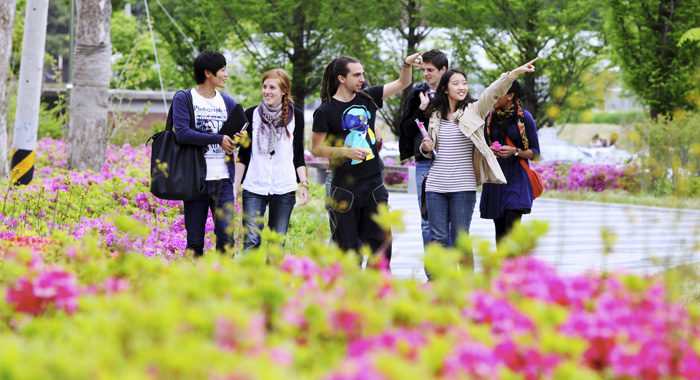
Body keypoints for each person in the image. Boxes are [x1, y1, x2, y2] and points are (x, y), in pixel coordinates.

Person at [419, 58, 539, 270]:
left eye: (464, 83)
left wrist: (514, 73)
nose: (462, 87)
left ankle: (466, 286)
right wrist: (425, 148)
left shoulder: (475, 110)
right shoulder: (435, 114)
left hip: (463, 186)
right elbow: (431, 150)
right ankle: (439, 283)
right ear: (445, 89)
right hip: (435, 185)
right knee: (437, 238)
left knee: (461, 239)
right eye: (456, 83)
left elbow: (493, 91)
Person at [311, 53, 423, 265]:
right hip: (344, 188)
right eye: (357, 74)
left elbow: (403, 82)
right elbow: (316, 149)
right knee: (348, 252)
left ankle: (378, 293)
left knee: (380, 248)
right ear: (342, 78)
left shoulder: (368, 97)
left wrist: (406, 64)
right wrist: (345, 152)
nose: (362, 78)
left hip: (374, 185)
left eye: (362, 74)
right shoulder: (325, 111)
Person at [233, 69, 308, 251]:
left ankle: (271, 280)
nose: (266, 91)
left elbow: (297, 154)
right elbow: (242, 155)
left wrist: (304, 184)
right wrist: (234, 188)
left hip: (284, 186)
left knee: (276, 243)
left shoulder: (296, 116)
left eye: (272, 87)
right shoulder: (251, 115)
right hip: (254, 185)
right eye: (264, 87)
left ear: (283, 91)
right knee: (251, 240)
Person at [173, 50, 238, 257]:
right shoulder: (184, 99)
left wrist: (236, 140)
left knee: (226, 239)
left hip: (223, 180)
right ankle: (195, 285)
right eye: (222, 69)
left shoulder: (228, 102)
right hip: (195, 180)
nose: (226, 74)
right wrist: (217, 138)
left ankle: (223, 284)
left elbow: (235, 138)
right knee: (194, 242)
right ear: (208, 73)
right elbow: (182, 133)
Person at [479, 80, 540, 244]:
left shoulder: (525, 118)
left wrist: (516, 151)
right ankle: (503, 269)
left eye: (498, 94)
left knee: (512, 229)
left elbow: (535, 152)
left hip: (516, 178)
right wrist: (489, 151)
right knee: (499, 231)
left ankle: (515, 267)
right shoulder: (489, 119)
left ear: (510, 96)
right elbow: (482, 147)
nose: (494, 97)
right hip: (495, 180)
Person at [398, 49, 448, 247]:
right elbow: (406, 130)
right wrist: (422, 110)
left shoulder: (456, 92)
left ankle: (452, 273)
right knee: (427, 220)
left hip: (451, 162)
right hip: (424, 163)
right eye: (424, 70)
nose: (426, 74)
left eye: (431, 70)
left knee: (451, 223)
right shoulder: (418, 94)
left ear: (443, 69)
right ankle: (432, 274)